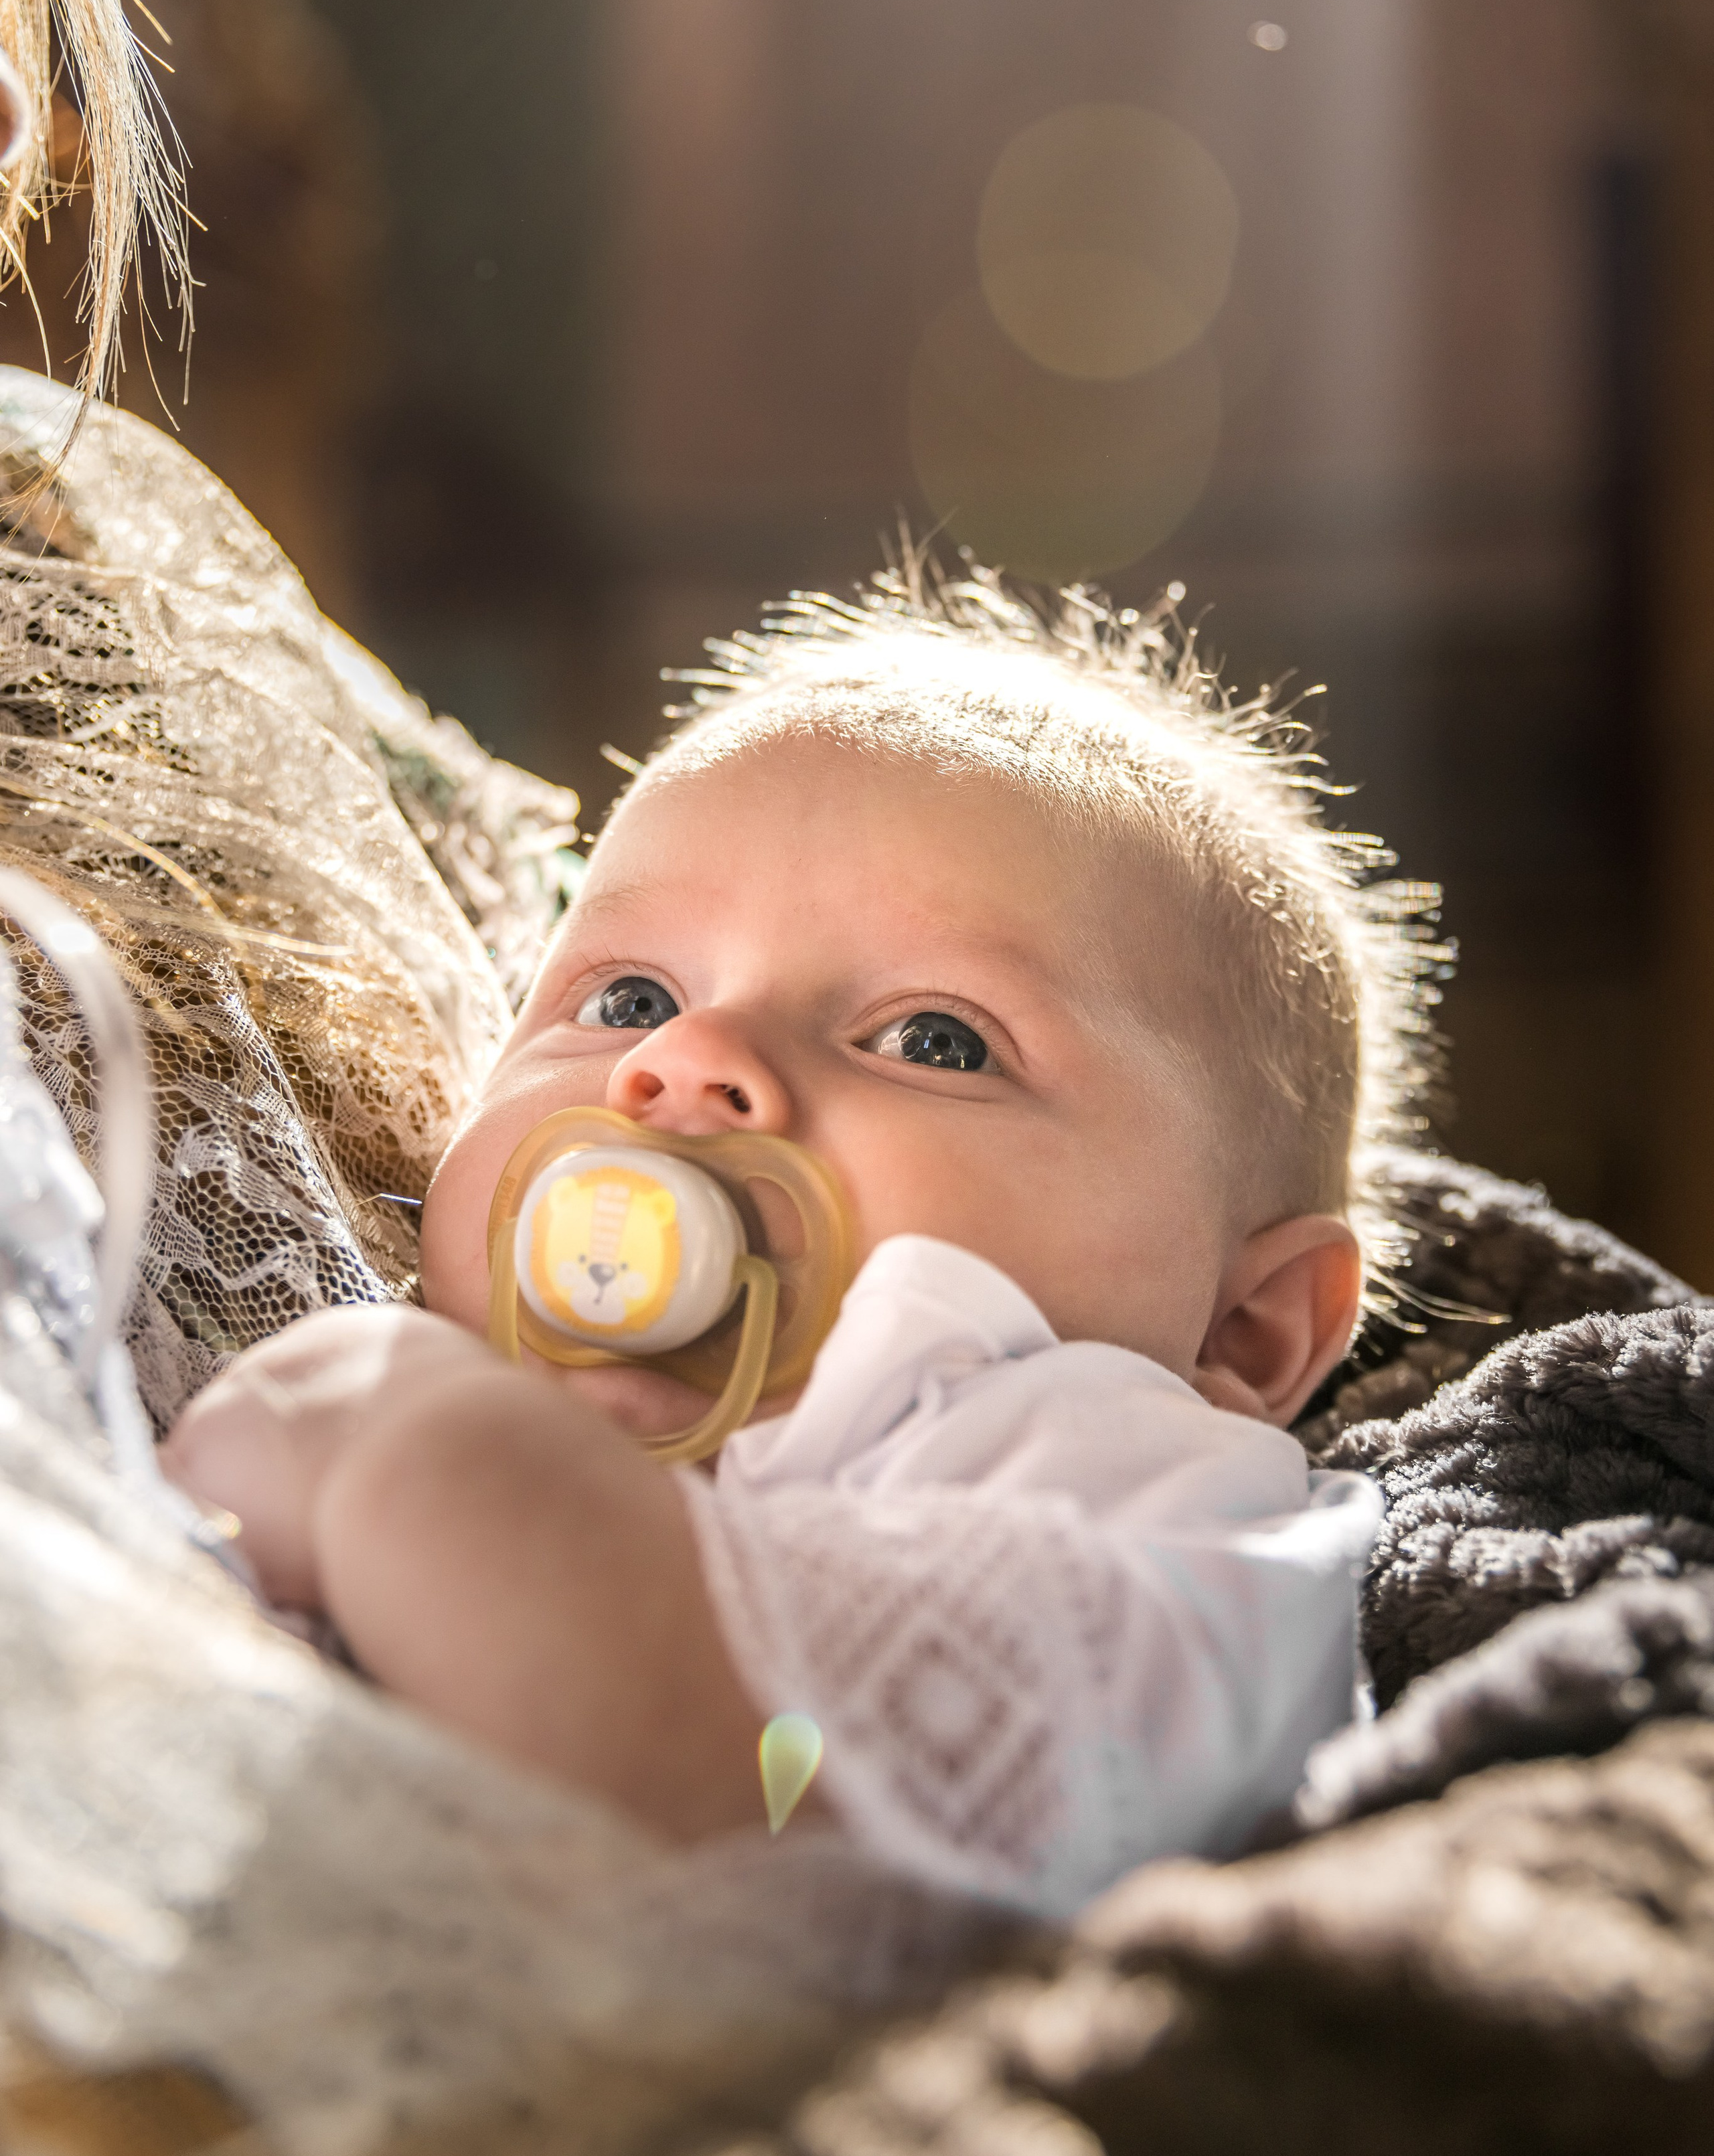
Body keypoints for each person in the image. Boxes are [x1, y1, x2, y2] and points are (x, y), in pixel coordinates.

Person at [163, 571, 1441, 1918]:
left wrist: (400, 1450)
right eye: (629, 996)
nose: (689, 1056)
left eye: (932, 1038)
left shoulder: (1137, 1490)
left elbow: (799, 1815)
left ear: (1243, 1330)